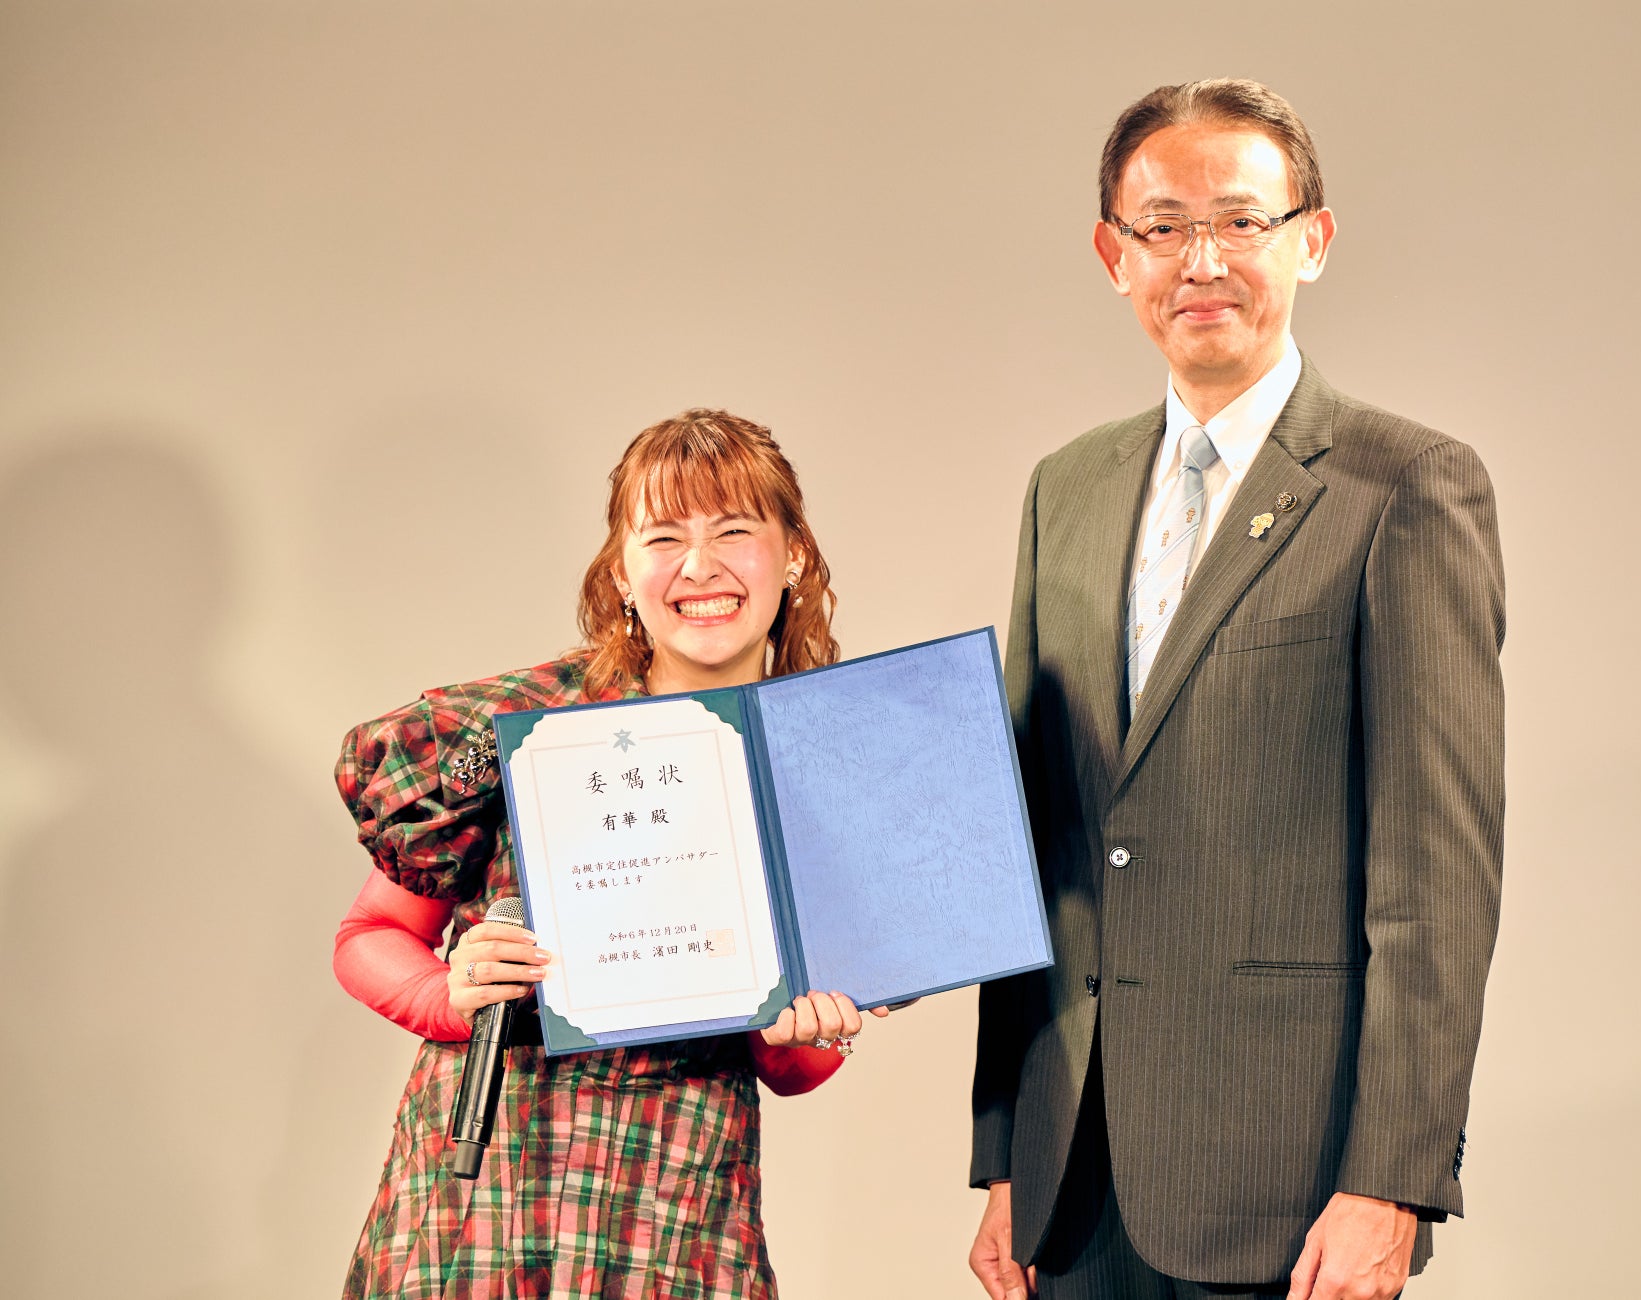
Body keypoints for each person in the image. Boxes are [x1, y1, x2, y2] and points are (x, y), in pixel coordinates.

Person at [968, 80, 1506, 1300]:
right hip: (1075, 1172)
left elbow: (1439, 878)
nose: (1200, 260)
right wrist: (1006, 1148)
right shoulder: (1068, 490)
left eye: (1241, 222)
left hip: (1291, 1179)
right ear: (1114, 256)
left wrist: (1394, 1181)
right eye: (1162, 227)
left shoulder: (1405, 487)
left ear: (1311, 238)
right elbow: (1033, 841)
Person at [332, 408, 889, 1300]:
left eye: (734, 532)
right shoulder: (521, 728)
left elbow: (796, 1062)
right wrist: (452, 990)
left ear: (794, 556)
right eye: (663, 537)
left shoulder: (826, 764)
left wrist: (802, 1028)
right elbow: (366, 935)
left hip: (672, 1200)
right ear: (622, 573)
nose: (698, 568)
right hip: (482, 1188)